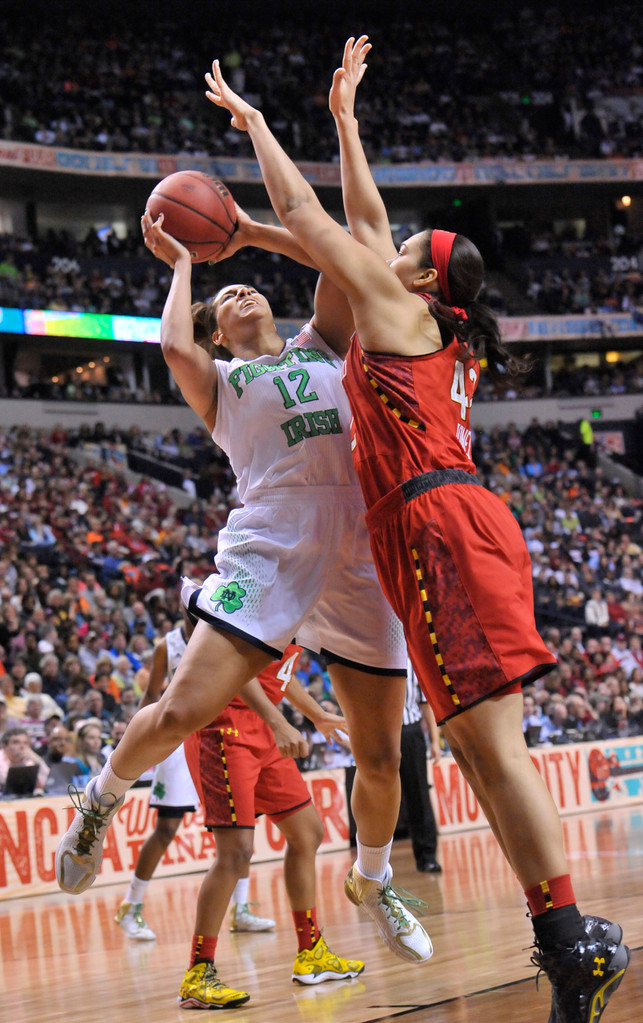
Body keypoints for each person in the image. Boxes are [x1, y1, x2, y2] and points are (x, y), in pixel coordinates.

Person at [201, 37, 629, 1022]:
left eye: (400, 256)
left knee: (492, 752)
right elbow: (358, 223)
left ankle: (572, 939)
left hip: (437, 521)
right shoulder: (411, 307)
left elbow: (320, 222)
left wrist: (262, 126)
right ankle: (564, 940)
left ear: (426, 284)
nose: (385, 252)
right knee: (480, 754)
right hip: (432, 525)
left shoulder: (401, 309)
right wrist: (346, 122)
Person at [55, 147, 432, 965]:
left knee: (379, 753)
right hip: (270, 550)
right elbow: (172, 347)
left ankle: (372, 878)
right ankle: (100, 797)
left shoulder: (322, 343)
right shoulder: (220, 383)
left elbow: (344, 250)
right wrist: (187, 266)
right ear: (218, 332)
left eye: (244, 287)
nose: (240, 294)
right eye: (224, 301)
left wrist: (247, 236)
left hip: (359, 551)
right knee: (183, 709)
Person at [179, 630, 364, 1007]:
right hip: (224, 727)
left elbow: (281, 673)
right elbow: (238, 670)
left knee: (307, 833)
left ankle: (310, 951)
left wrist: (317, 715)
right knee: (235, 854)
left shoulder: (305, 601)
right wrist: (279, 721)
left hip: (263, 729)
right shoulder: (268, 588)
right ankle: (198, 972)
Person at [115, 609, 274, 942]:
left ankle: (241, 907)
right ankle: (131, 905)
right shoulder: (166, 646)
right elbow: (151, 697)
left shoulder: (226, 638)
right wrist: (138, 742)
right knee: (166, 828)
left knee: (243, 826)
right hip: (176, 741)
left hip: (218, 736)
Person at [400, 660, 441, 873]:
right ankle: (373, 864)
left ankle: (427, 856)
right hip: (378, 732)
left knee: (419, 794)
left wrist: (435, 741)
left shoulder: (413, 662)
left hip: (410, 732)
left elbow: (426, 706)